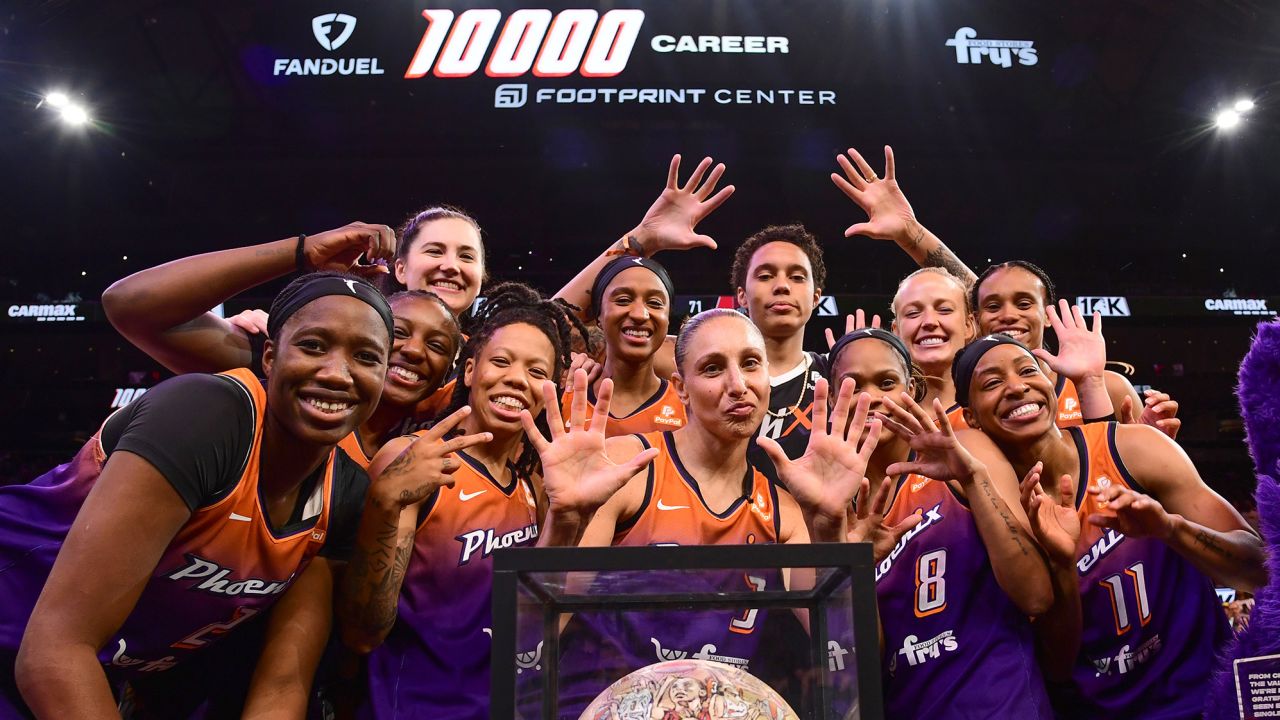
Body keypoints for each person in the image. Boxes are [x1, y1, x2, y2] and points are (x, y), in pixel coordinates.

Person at [2, 272, 393, 718]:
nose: (336, 374)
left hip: (81, 674)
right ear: (269, 356)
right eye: (313, 346)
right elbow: (54, 651)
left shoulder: (345, 491)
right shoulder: (207, 414)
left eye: (366, 356)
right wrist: (303, 250)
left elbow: (282, 687)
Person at [337, 283, 658, 720]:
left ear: (553, 387)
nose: (515, 378)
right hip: (413, 708)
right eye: (501, 361)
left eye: (536, 371)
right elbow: (362, 633)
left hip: (507, 705)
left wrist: (567, 518)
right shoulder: (416, 460)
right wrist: (385, 504)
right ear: (470, 370)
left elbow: (535, 621)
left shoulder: (536, 482)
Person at [555, 309, 890, 718]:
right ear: (680, 388)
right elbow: (544, 620)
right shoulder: (630, 466)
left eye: (751, 364)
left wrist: (831, 533)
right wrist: (564, 521)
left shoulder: (785, 512)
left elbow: (849, 653)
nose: (738, 385)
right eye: (713, 368)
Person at [953, 333, 1266, 718]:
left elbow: (1258, 568)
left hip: (1207, 701)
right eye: (992, 383)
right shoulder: (1001, 518)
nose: (1017, 387)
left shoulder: (1133, 447)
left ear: (1049, 382)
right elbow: (1056, 666)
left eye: (1027, 371)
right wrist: (1062, 566)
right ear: (970, 417)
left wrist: (1170, 529)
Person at [832, 144, 1177, 435]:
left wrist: (1152, 445)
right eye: (992, 308)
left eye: (1025, 303)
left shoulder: (1103, 386)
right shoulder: (953, 408)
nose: (1008, 316)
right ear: (977, 321)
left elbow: (1133, 487)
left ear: (1048, 314)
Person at [825, 327, 1055, 718]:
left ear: (913, 388)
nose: (873, 398)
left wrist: (972, 480)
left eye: (886, 382)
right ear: (833, 400)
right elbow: (857, 669)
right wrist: (850, 565)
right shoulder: (835, 505)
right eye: (853, 385)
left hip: (1004, 707)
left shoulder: (966, 450)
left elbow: (1036, 596)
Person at [102, 222, 463, 467]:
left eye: (436, 345)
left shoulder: (448, 411)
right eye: (398, 333)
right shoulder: (287, 365)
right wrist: (301, 252)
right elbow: (130, 304)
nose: (414, 351)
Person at [559, 256, 686, 436]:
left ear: (667, 320)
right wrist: (640, 237)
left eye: (655, 303)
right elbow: (541, 326)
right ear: (599, 317)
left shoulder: (690, 406)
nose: (640, 314)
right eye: (623, 300)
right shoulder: (566, 395)